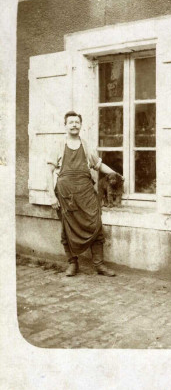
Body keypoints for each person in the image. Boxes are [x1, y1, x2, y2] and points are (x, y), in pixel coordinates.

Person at [47, 111, 120, 277]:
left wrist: (115, 174)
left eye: (77, 122)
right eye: (71, 122)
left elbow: (99, 166)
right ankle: (72, 264)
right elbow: (48, 172)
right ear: (65, 125)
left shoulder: (87, 146)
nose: (74, 125)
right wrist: (51, 195)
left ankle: (99, 265)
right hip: (66, 197)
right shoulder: (58, 146)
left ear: (81, 125)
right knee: (67, 229)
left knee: (95, 225)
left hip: (86, 195)